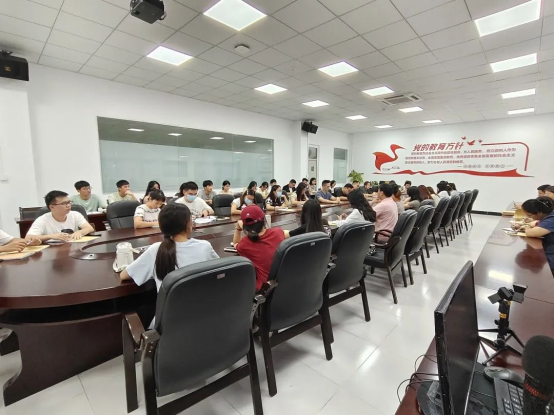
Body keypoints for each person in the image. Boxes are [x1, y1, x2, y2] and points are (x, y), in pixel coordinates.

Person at [121, 203, 219, 294]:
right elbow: (220, 268)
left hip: (172, 307)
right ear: (188, 224)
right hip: (204, 305)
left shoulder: (156, 249)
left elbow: (124, 275)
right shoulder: (204, 246)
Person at [233, 205, 288, 291]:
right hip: (285, 284)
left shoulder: (244, 244)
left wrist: (238, 228)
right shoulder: (278, 232)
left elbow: (235, 243)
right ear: (264, 220)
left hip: (266, 291)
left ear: (245, 226)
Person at [26, 190, 94, 242]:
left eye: (69, 202)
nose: (68, 205)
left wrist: (80, 232)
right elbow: (28, 238)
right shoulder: (42, 220)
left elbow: (89, 228)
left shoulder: (75, 214)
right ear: (52, 207)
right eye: (64, 203)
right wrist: (52, 236)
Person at [520, 197, 554, 275]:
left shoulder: (551, 219)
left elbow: (532, 233)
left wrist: (526, 227)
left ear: (539, 213)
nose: (529, 218)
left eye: (529, 215)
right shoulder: (548, 215)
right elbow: (535, 224)